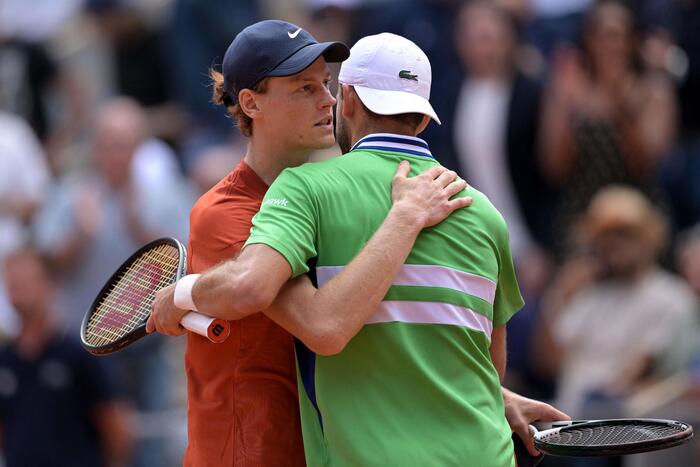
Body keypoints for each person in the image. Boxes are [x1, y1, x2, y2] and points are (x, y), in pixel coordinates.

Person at [150, 29, 568, 465]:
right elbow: (309, 316)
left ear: (349, 99)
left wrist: (489, 391)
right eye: (305, 89)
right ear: (252, 104)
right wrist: (403, 219)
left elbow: (379, 328)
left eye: (327, 86)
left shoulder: (314, 194)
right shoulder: (230, 212)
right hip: (254, 453)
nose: (326, 101)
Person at [534, 186, 696, 416]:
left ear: (648, 237)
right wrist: (557, 296)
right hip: (567, 419)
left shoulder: (670, 295)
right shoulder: (590, 294)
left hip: (619, 422)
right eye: (603, 235)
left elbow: (636, 373)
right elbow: (548, 363)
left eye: (624, 233)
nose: (612, 243)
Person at [0, 247, 133, 466]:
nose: (18, 290)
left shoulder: (81, 354)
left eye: (25, 281)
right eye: (13, 283)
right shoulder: (5, 360)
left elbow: (117, 427)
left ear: (48, 283)